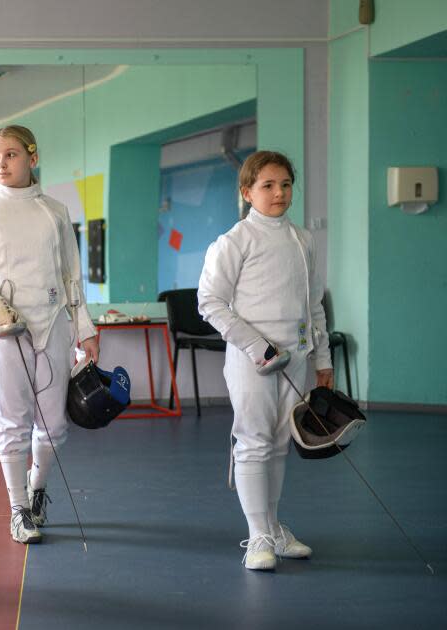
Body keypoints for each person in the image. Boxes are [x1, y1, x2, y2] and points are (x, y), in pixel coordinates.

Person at [0, 125, 99, 544]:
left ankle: (37, 491)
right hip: (6, 328)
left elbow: (72, 276)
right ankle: (17, 510)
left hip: (54, 324)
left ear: (32, 158)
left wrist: (85, 329)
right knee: (13, 420)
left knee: (54, 424)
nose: (2, 163)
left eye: (11, 155)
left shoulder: (54, 211)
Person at [197, 150, 333, 571]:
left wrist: (322, 359)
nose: (279, 193)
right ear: (247, 192)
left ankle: (273, 528)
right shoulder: (234, 242)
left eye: (286, 184)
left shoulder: (303, 239)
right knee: (254, 442)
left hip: (295, 357)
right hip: (251, 359)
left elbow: (314, 306)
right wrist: (257, 346)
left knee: (279, 444)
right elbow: (211, 303)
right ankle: (257, 536)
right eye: (268, 185)